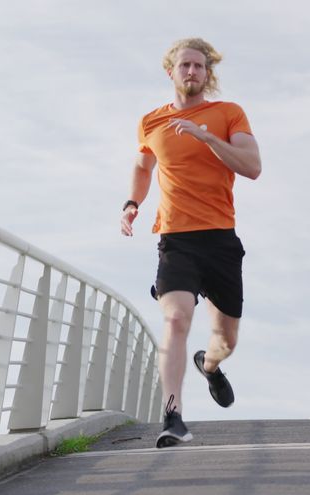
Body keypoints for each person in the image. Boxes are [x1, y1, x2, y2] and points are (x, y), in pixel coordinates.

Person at [120, 38, 261, 448]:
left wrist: (208, 139)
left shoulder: (227, 114)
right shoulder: (151, 122)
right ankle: (173, 416)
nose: (192, 72)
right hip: (175, 238)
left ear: (208, 73)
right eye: (185, 65)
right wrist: (132, 203)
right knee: (176, 318)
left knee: (226, 340)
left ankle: (210, 366)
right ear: (171, 72)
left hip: (220, 240)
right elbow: (143, 165)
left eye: (199, 67)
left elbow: (252, 167)